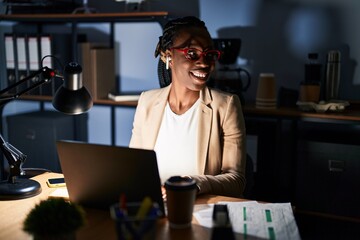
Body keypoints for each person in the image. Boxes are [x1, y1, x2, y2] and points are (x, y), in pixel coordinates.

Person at [129, 16, 247, 198]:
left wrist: (196, 183)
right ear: (168, 56)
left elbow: (236, 181)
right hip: (152, 208)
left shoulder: (226, 105)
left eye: (209, 54)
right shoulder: (147, 102)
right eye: (192, 53)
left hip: (197, 211)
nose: (204, 63)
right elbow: (134, 169)